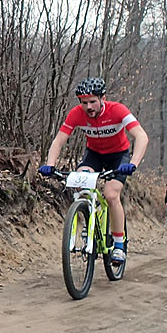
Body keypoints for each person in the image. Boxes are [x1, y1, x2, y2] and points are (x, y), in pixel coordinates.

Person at [37, 77, 149, 265]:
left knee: (111, 195)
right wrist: (50, 164)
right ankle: (88, 220)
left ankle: (119, 245)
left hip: (118, 156)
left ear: (102, 98)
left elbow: (141, 136)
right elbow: (58, 141)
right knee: (80, 186)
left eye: (92, 102)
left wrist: (134, 163)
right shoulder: (76, 114)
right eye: (83, 102)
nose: (88, 107)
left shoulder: (118, 110)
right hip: (94, 155)